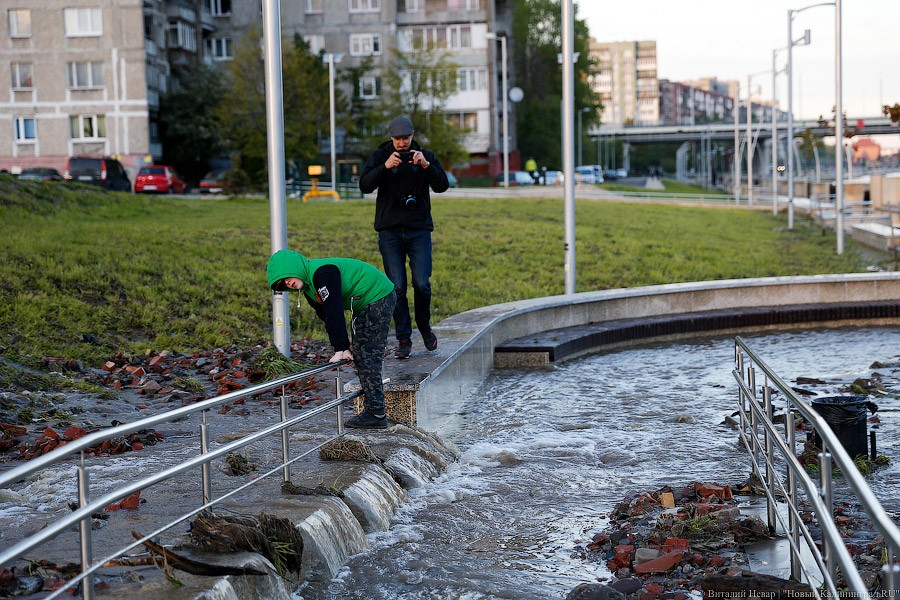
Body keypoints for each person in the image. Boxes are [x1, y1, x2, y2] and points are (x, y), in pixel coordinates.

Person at [267, 249, 396, 429]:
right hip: (365, 302)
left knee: (366, 355)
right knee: (362, 353)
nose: (287, 283)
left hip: (377, 295)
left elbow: (334, 310)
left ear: (295, 267)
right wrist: (343, 348)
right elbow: (327, 317)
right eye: (283, 284)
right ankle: (374, 410)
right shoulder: (310, 290)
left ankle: (375, 413)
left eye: (287, 277)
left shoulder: (322, 273)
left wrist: (340, 348)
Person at [359, 115, 449, 359]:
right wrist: (385, 167)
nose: (402, 143)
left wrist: (426, 166)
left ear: (412, 136)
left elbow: (442, 186)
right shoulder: (380, 157)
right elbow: (365, 185)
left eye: (406, 138)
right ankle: (404, 339)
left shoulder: (425, 156)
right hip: (389, 232)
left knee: (422, 283)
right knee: (396, 287)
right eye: (398, 139)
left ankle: (425, 326)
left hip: (419, 230)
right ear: (391, 138)